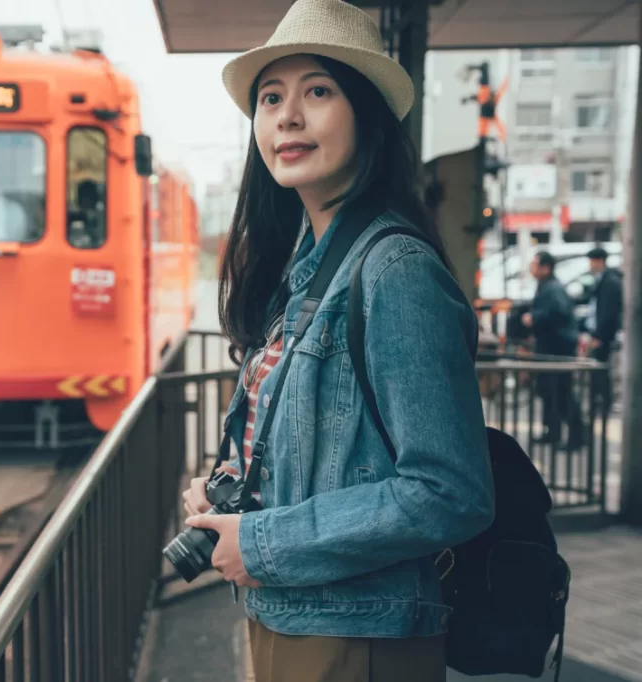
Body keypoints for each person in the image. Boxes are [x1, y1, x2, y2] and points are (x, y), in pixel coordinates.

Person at [179, 0, 495, 679]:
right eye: (270, 98)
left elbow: (450, 491)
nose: (287, 117)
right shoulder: (308, 268)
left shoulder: (395, 272)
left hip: (358, 636)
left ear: (368, 115)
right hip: (290, 618)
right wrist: (233, 491)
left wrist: (261, 543)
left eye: (317, 92)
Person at [522, 251, 585, 448]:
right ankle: (553, 431)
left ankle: (576, 436)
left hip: (558, 351)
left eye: (535, 264)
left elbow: (558, 312)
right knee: (548, 391)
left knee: (562, 392)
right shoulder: (546, 286)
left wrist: (535, 317)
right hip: (549, 349)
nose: (531, 268)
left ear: (546, 267)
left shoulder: (553, 288)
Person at [581, 246, 623, 412]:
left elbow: (608, 311)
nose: (590, 265)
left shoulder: (610, 282)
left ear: (599, 261)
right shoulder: (601, 280)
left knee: (600, 369)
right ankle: (599, 402)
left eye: (592, 261)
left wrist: (599, 335)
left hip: (603, 335)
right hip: (597, 332)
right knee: (598, 369)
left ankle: (603, 403)